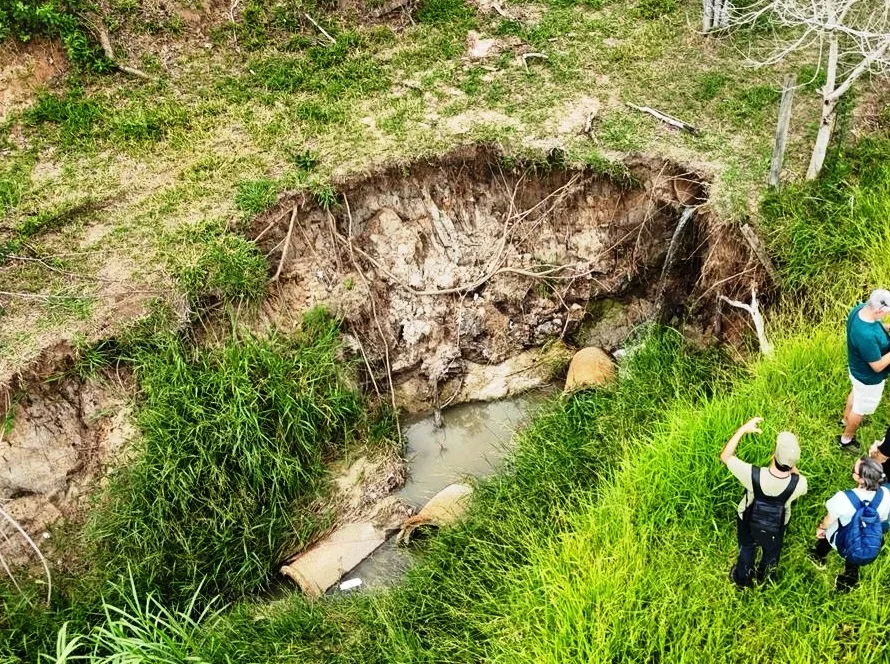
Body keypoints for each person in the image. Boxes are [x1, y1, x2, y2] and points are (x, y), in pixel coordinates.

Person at [720, 417, 808, 588]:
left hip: (747, 517)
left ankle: (742, 579)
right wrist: (791, 464)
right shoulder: (800, 483)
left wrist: (743, 429)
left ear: (774, 454)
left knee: (747, 547)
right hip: (778, 523)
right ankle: (765, 578)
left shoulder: (752, 474)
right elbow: (795, 475)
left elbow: (726, 456)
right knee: (772, 550)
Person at [811, 457, 890, 592]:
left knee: (827, 538)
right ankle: (847, 583)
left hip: (840, 536)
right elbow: (882, 519)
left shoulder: (843, 498)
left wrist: (821, 528)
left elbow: (829, 520)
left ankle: (818, 557)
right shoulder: (886, 495)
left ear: (859, 479)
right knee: (854, 556)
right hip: (865, 539)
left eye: (854, 470)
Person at [839, 289, 890, 451]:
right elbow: (878, 366)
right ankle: (846, 440)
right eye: (887, 312)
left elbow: (877, 328)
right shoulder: (866, 336)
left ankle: (845, 420)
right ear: (879, 310)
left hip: (856, 371)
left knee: (856, 394)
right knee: (860, 410)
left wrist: (887, 328)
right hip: (868, 379)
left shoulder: (860, 310)